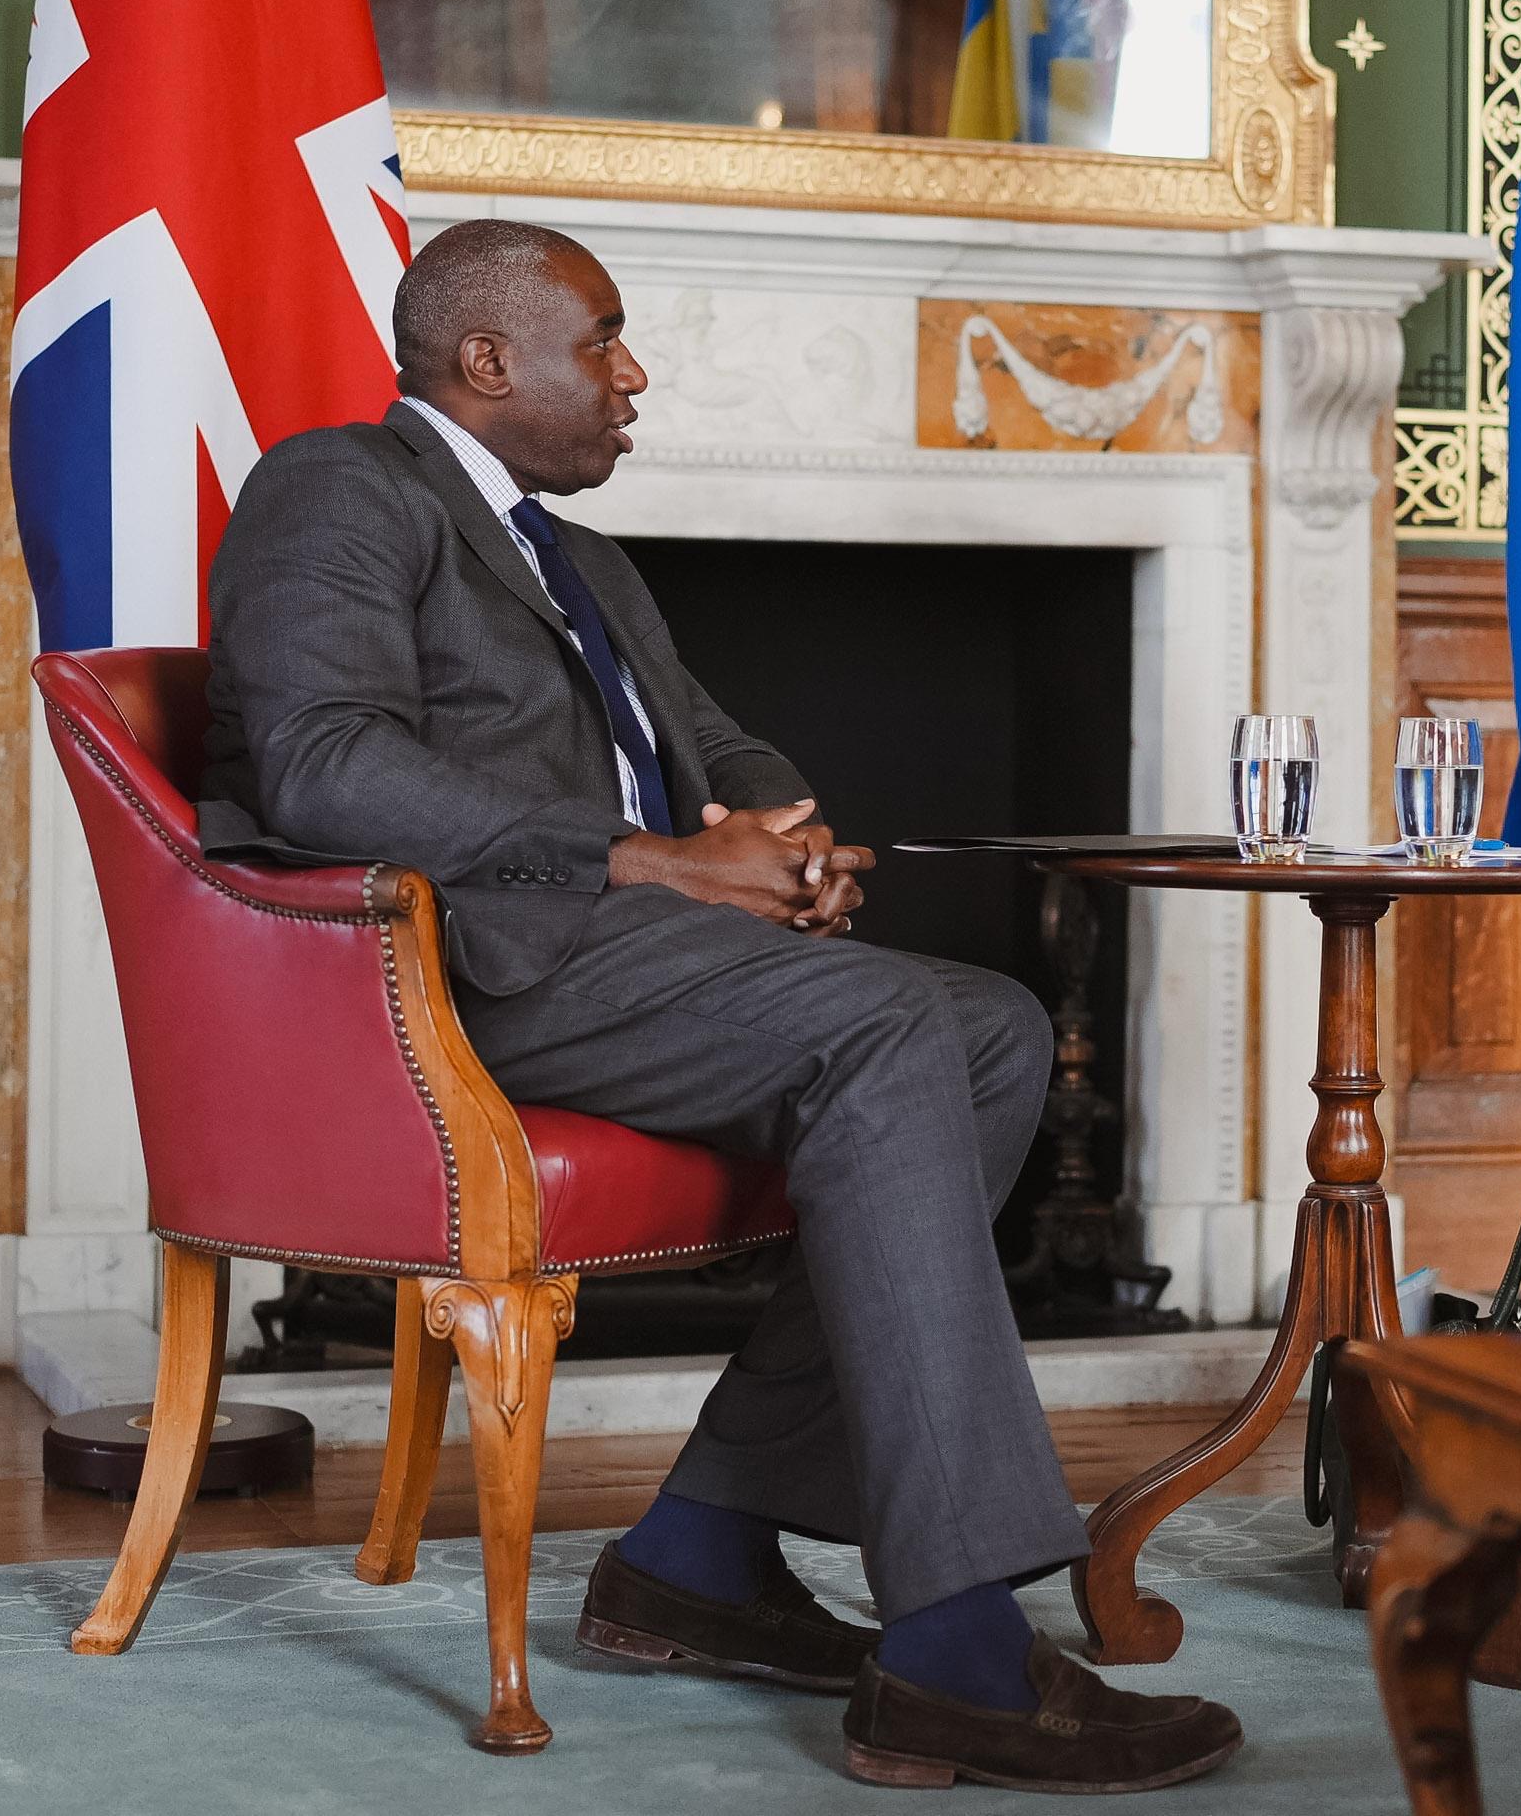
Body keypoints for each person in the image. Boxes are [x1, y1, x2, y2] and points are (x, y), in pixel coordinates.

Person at [197, 219, 1241, 1792]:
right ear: (486, 362)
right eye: (603, 341)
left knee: (991, 1027)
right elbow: (322, 762)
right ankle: (954, 1648)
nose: (634, 376)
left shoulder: (581, 555)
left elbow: (714, 744)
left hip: (617, 956)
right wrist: (651, 864)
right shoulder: (338, 487)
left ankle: (705, 1547)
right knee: (900, 1026)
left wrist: (781, 836)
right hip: (460, 977)